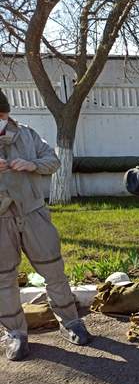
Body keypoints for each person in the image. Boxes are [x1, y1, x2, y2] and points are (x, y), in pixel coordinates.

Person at [0, 88, 91, 361]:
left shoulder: (26, 134)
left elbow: (52, 160)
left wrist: (31, 164)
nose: (2, 119)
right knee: (3, 278)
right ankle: (15, 333)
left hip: (33, 213)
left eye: (2, 114)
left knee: (54, 270)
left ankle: (71, 322)